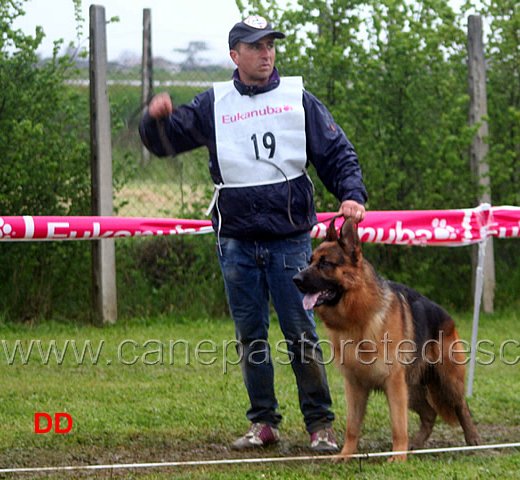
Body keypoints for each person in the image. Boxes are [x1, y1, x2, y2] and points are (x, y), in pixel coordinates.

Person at [139, 14, 367, 452]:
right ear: (235, 54)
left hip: (290, 242)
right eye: (256, 46)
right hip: (237, 242)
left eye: (270, 45)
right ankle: (263, 423)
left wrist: (351, 194)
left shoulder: (297, 98)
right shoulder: (213, 103)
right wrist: (154, 119)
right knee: (251, 336)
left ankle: (320, 425)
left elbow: (336, 152)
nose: (267, 53)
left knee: (300, 332)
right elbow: (165, 142)